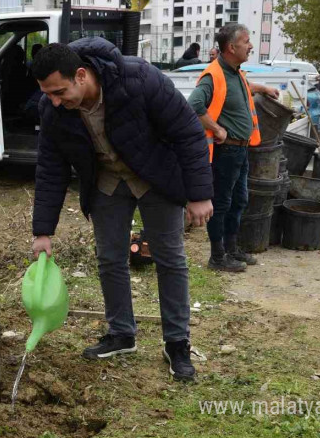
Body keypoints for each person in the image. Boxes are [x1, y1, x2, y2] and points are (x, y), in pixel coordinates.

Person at [29, 39, 214, 381]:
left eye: (59, 92)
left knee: (170, 258)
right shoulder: (52, 108)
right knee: (110, 258)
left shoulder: (139, 79)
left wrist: (199, 194)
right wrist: (43, 231)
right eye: (47, 93)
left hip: (155, 176)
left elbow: (188, 132)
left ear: (81, 76)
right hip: (107, 182)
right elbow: (50, 169)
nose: (54, 101)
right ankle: (121, 333)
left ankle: (176, 343)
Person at [187, 24, 280, 273]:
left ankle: (231, 248)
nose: (250, 46)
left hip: (240, 150)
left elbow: (242, 89)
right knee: (222, 203)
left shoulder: (234, 72)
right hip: (226, 151)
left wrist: (263, 88)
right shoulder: (213, 74)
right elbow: (194, 104)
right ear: (231, 47)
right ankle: (217, 256)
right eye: (246, 41)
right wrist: (217, 129)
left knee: (239, 200)